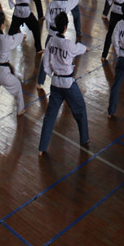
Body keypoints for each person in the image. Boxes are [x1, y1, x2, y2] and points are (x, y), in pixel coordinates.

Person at [38, 12, 89, 155]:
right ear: (66, 27)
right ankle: (84, 138)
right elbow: (79, 48)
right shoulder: (68, 45)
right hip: (68, 84)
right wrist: (86, 48)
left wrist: (51, 74)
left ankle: (42, 148)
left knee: (50, 115)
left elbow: (46, 62)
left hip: (55, 83)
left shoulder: (51, 41)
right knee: (80, 108)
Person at [37, 0, 80, 89]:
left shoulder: (51, 4)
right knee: (67, 56)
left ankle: (40, 82)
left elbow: (47, 19)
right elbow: (73, 2)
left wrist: (49, 30)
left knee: (46, 57)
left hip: (51, 34)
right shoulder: (65, 4)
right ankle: (70, 77)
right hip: (60, 35)